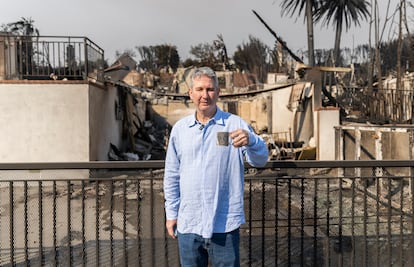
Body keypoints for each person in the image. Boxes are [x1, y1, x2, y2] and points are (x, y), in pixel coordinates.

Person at [163, 67, 268, 266]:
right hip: (189, 224)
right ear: (191, 93)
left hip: (224, 225)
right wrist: (172, 214)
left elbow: (260, 161)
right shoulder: (180, 130)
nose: (205, 95)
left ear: (218, 92)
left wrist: (252, 141)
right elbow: (172, 175)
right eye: (200, 89)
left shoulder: (235, 125)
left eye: (210, 89)